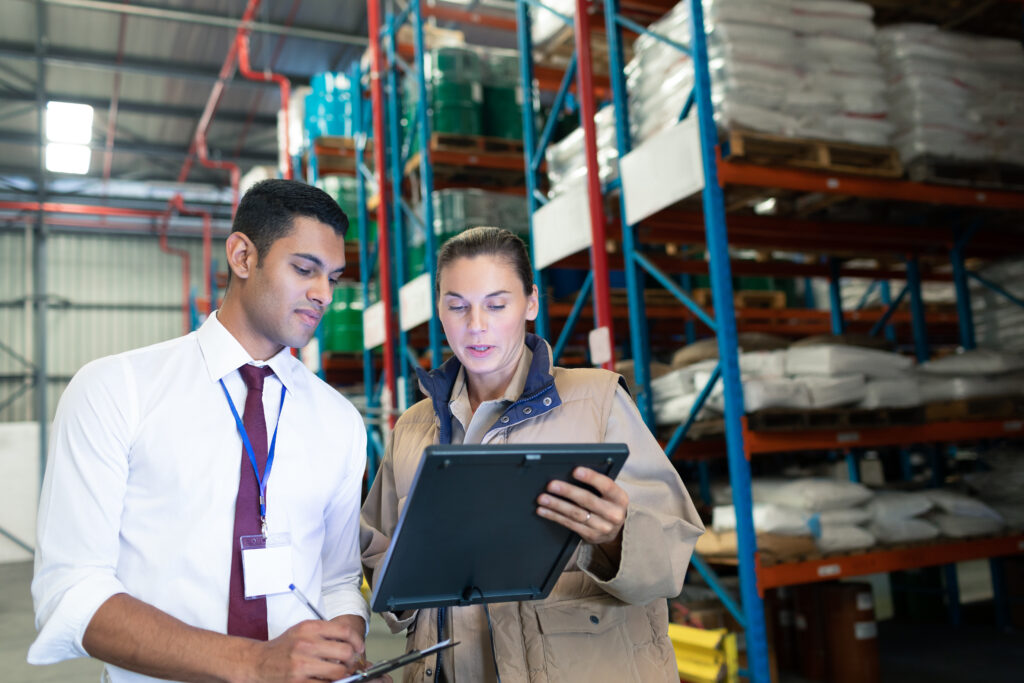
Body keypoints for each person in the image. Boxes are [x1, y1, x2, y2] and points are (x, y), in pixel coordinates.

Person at [30, 179, 376, 682]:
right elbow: (71, 591)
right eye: (305, 270)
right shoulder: (117, 390)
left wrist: (340, 656)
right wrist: (255, 665)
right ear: (242, 256)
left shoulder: (339, 420)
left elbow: (338, 580)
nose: (324, 294)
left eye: (334, 278)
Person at [361, 226, 705, 682]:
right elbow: (380, 553)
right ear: (439, 311)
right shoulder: (411, 429)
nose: (476, 324)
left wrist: (616, 536)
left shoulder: (598, 402)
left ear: (531, 303)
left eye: (496, 305)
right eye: (457, 306)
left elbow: (672, 553)